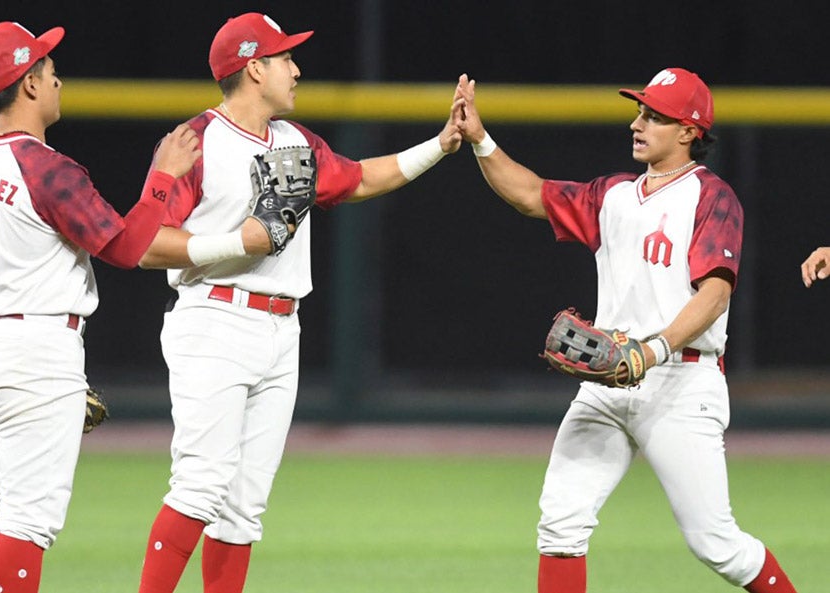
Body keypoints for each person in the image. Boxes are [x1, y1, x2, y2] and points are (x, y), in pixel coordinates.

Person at [133, 12, 464, 593]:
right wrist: (240, 241)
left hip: (282, 329)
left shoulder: (296, 142)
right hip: (213, 318)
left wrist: (439, 145)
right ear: (253, 66)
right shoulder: (196, 140)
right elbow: (147, 244)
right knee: (200, 486)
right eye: (285, 57)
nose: (297, 68)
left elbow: (359, 178)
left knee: (243, 508)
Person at [455, 69, 798, 592]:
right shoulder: (612, 194)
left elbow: (715, 293)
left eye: (654, 116)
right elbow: (529, 193)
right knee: (561, 523)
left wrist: (653, 349)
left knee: (715, 543)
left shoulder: (712, 196)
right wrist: (480, 140)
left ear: (689, 131)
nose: (637, 123)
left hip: (682, 383)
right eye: (640, 112)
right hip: (606, 380)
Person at [0, 21, 200, 593]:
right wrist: (161, 179)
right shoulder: (45, 168)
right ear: (29, 85)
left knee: (11, 514)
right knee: (26, 523)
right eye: (46, 66)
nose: (57, 76)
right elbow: (126, 247)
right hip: (35, 353)